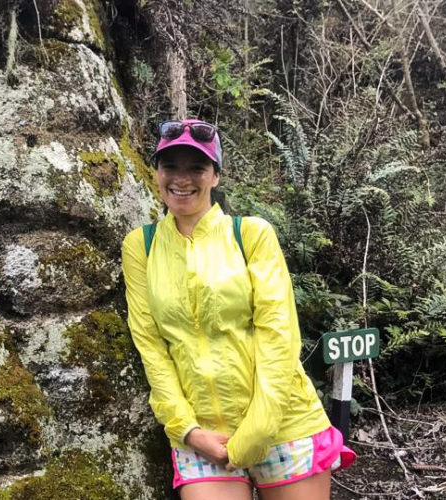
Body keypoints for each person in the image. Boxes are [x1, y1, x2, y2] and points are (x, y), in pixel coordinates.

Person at [121, 119, 355, 500]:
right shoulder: (141, 247)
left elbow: (279, 337)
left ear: (215, 175)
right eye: (170, 166)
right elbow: (151, 347)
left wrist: (255, 433)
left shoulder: (251, 235)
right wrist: (186, 430)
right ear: (156, 173)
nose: (182, 179)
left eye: (197, 167)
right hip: (202, 435)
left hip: (284, 422)